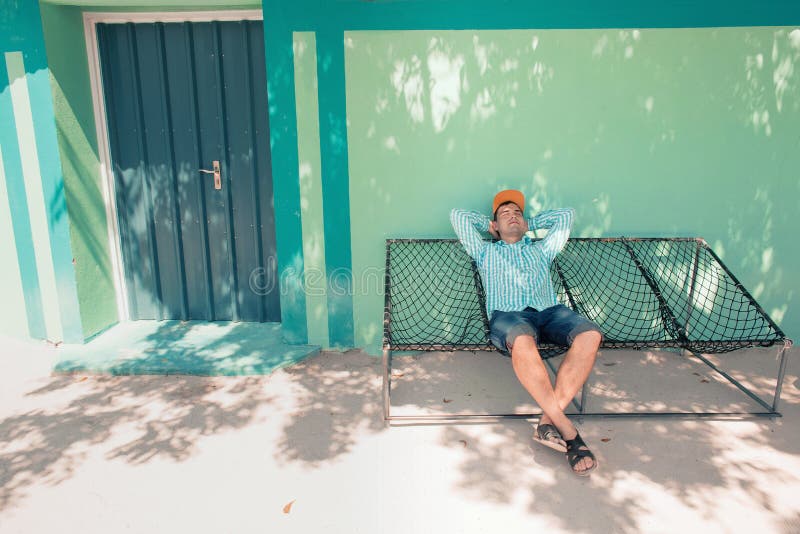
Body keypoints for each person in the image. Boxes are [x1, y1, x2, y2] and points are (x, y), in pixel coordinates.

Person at [450, 189, 603, 476]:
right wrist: (492, 225)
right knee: (522, 339)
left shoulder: (541, 249)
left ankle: (548, 420)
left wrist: (528, 224)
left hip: (550, 312)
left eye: (517, 213)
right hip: (509, 317)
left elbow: (566, 215)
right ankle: (569, 433)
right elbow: (457, 216)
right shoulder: (484, 251)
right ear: (494, 225)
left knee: (590, 334)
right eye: (505, 214)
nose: (513, 216)